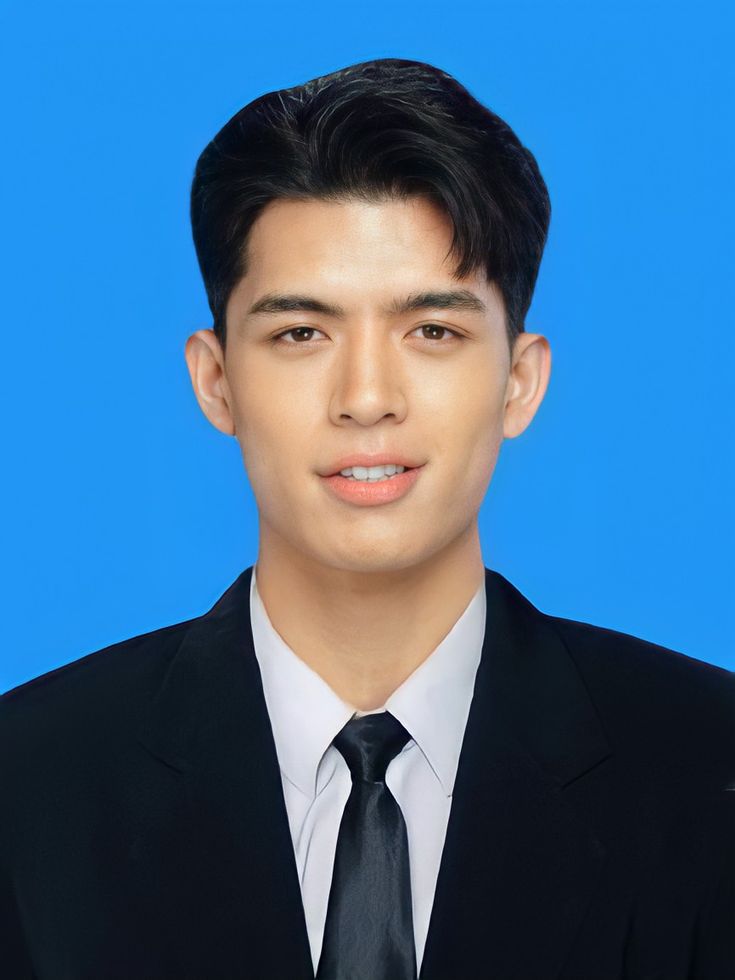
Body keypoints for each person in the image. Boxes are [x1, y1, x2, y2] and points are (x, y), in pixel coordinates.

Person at [1, 57, 733, 980]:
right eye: (300, 333)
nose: (366, 397)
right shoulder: (27, 788)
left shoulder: (708, 771)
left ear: (520, 379)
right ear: (215, 378)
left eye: (433, 331)